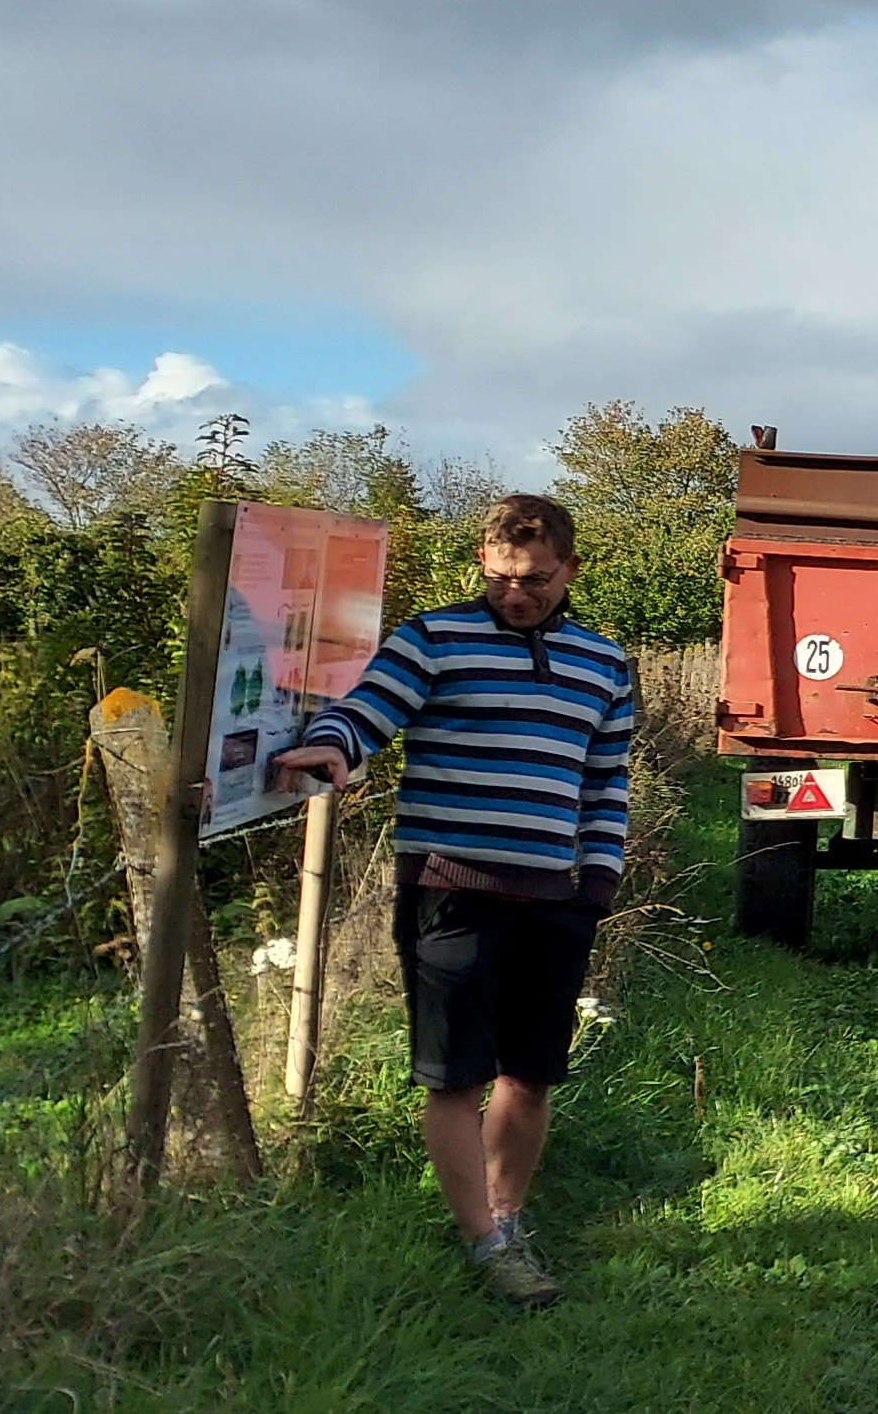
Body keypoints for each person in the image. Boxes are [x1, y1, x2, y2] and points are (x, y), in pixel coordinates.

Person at [270, 493, 637, 1310]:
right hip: (450, 894)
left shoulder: (605, 665)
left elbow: (606, 781)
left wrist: (597, 882)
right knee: (455, 1076)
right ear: (484, 563)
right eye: (504, 577)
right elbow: (369, 710)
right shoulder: (432, 639)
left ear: (570, 571)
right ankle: (483, 1243)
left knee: (532, 1075)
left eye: (536, 580)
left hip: (556, 899)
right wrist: (333, 747)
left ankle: (509, 1222)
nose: (518, 594)